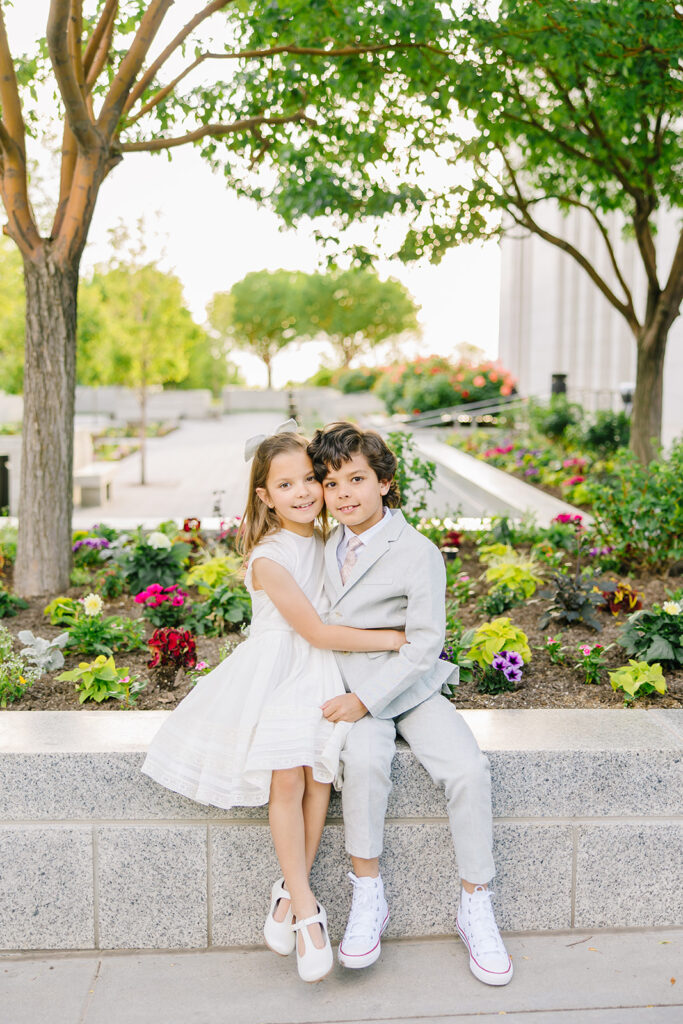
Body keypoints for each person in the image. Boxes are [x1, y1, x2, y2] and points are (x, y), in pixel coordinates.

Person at [140, 422, 406, 984]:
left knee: (318, 782)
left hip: (324, 672)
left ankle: (288, 890)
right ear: (264, 496)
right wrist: (396, 638)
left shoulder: (332, 540)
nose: (304, 493)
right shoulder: (269, 557)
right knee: (286, 779)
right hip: (282, 671)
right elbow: (316, 630)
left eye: (311, 479)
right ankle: (309, 912)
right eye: (285, 486)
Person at [308, 421, 513, 987]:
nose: (343, 493)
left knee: (468, 770)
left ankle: (476, 904)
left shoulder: (417, 552)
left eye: (356, 479)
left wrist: (363, 700)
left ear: (386, 482)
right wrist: (351, 698)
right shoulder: (326, 546)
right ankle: (368, 895)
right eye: (330, 483)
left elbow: (423, 646)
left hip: (407, 690)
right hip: (349, 685)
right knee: (366, 765)